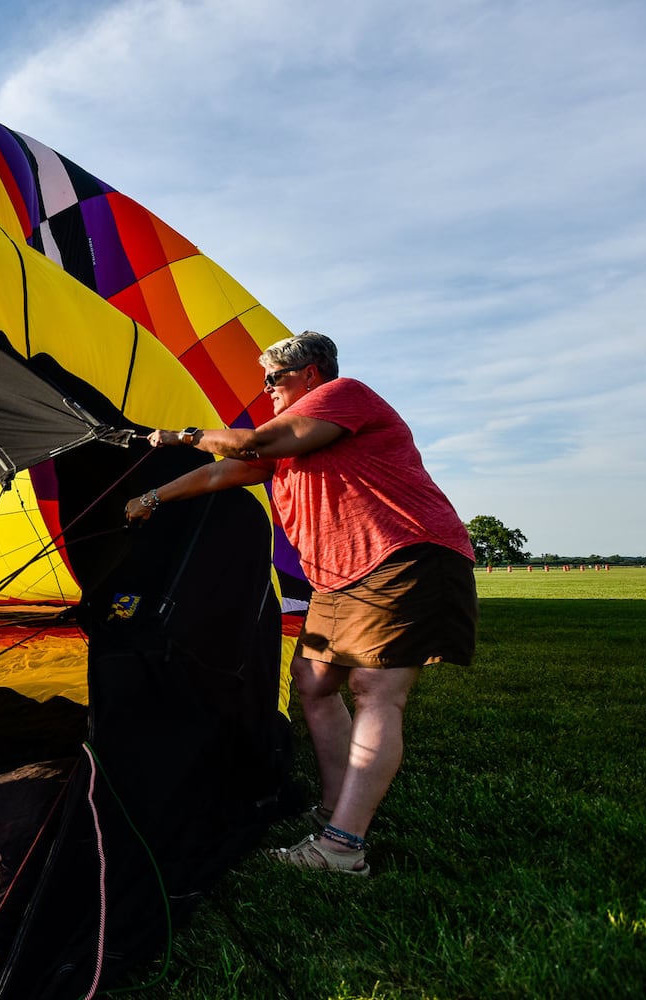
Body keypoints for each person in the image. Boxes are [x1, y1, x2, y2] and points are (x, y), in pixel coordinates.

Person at [123, 331, 476, 876]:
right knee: (312, 684)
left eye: (274, 379)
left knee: (374, 689)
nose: (266, 390)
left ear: (311, 372)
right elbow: (226, 470)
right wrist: (151, 499)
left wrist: (179, 435)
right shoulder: (290, 443)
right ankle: (336, 809)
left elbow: (245, 447)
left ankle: (342, 847)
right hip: (339, 576)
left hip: (401, 553)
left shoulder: (341, 397)